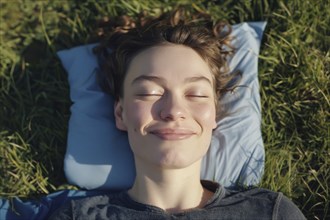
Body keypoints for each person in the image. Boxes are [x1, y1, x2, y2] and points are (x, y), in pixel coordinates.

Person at [49, 10, 305, 219]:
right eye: (149, 92)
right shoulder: (77, 216)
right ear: (120, 113)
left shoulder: (269, 212)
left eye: (196, 94)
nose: (174, 111)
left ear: (214, 114)